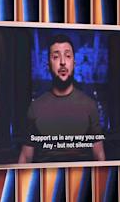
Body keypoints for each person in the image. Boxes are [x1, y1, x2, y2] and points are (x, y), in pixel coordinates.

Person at [18, 34, 105, 163]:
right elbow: (25, 157)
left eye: (68, 56)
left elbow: (99, 155)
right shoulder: (36, 107)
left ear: (74, 63)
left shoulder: (89, 105)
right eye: (56, 57)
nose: (63, 62)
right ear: (48, 64)